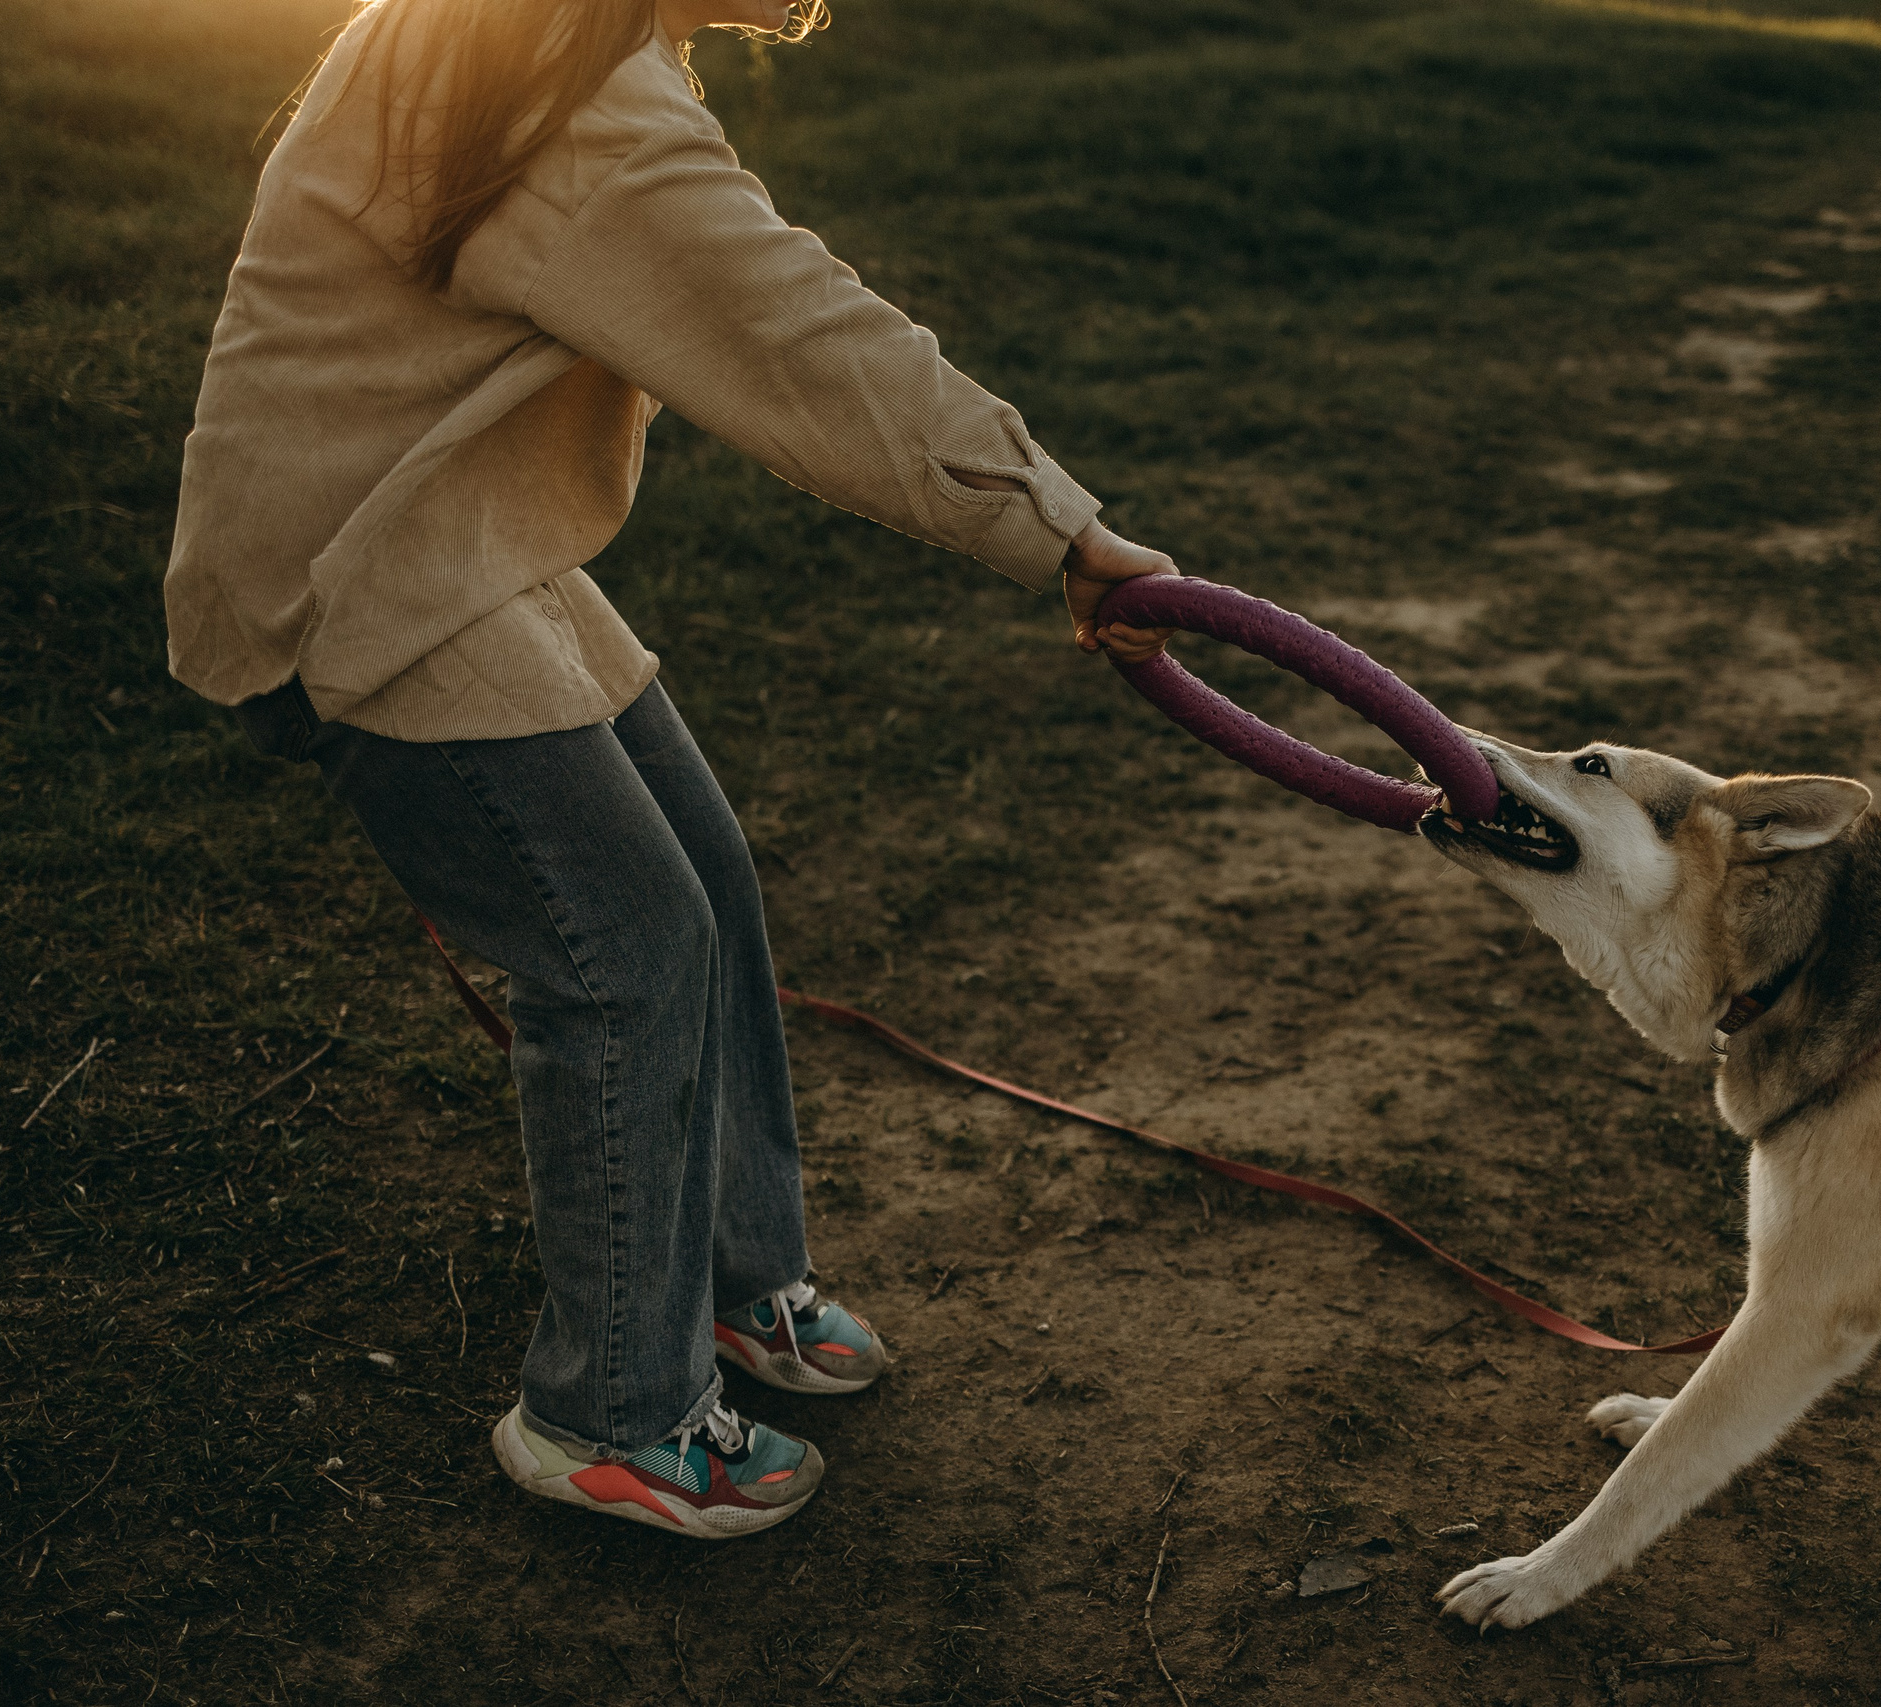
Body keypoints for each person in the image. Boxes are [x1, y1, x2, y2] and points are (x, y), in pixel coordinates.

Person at [163, 0, 1175, 1539]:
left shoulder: (541, 46)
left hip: (463, 539)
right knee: (627, 948)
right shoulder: (563, 107)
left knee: (701, 881)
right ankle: (609, 1414)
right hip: (357, 573)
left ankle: (734, 1288)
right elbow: (800, 339)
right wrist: (1061, 531)